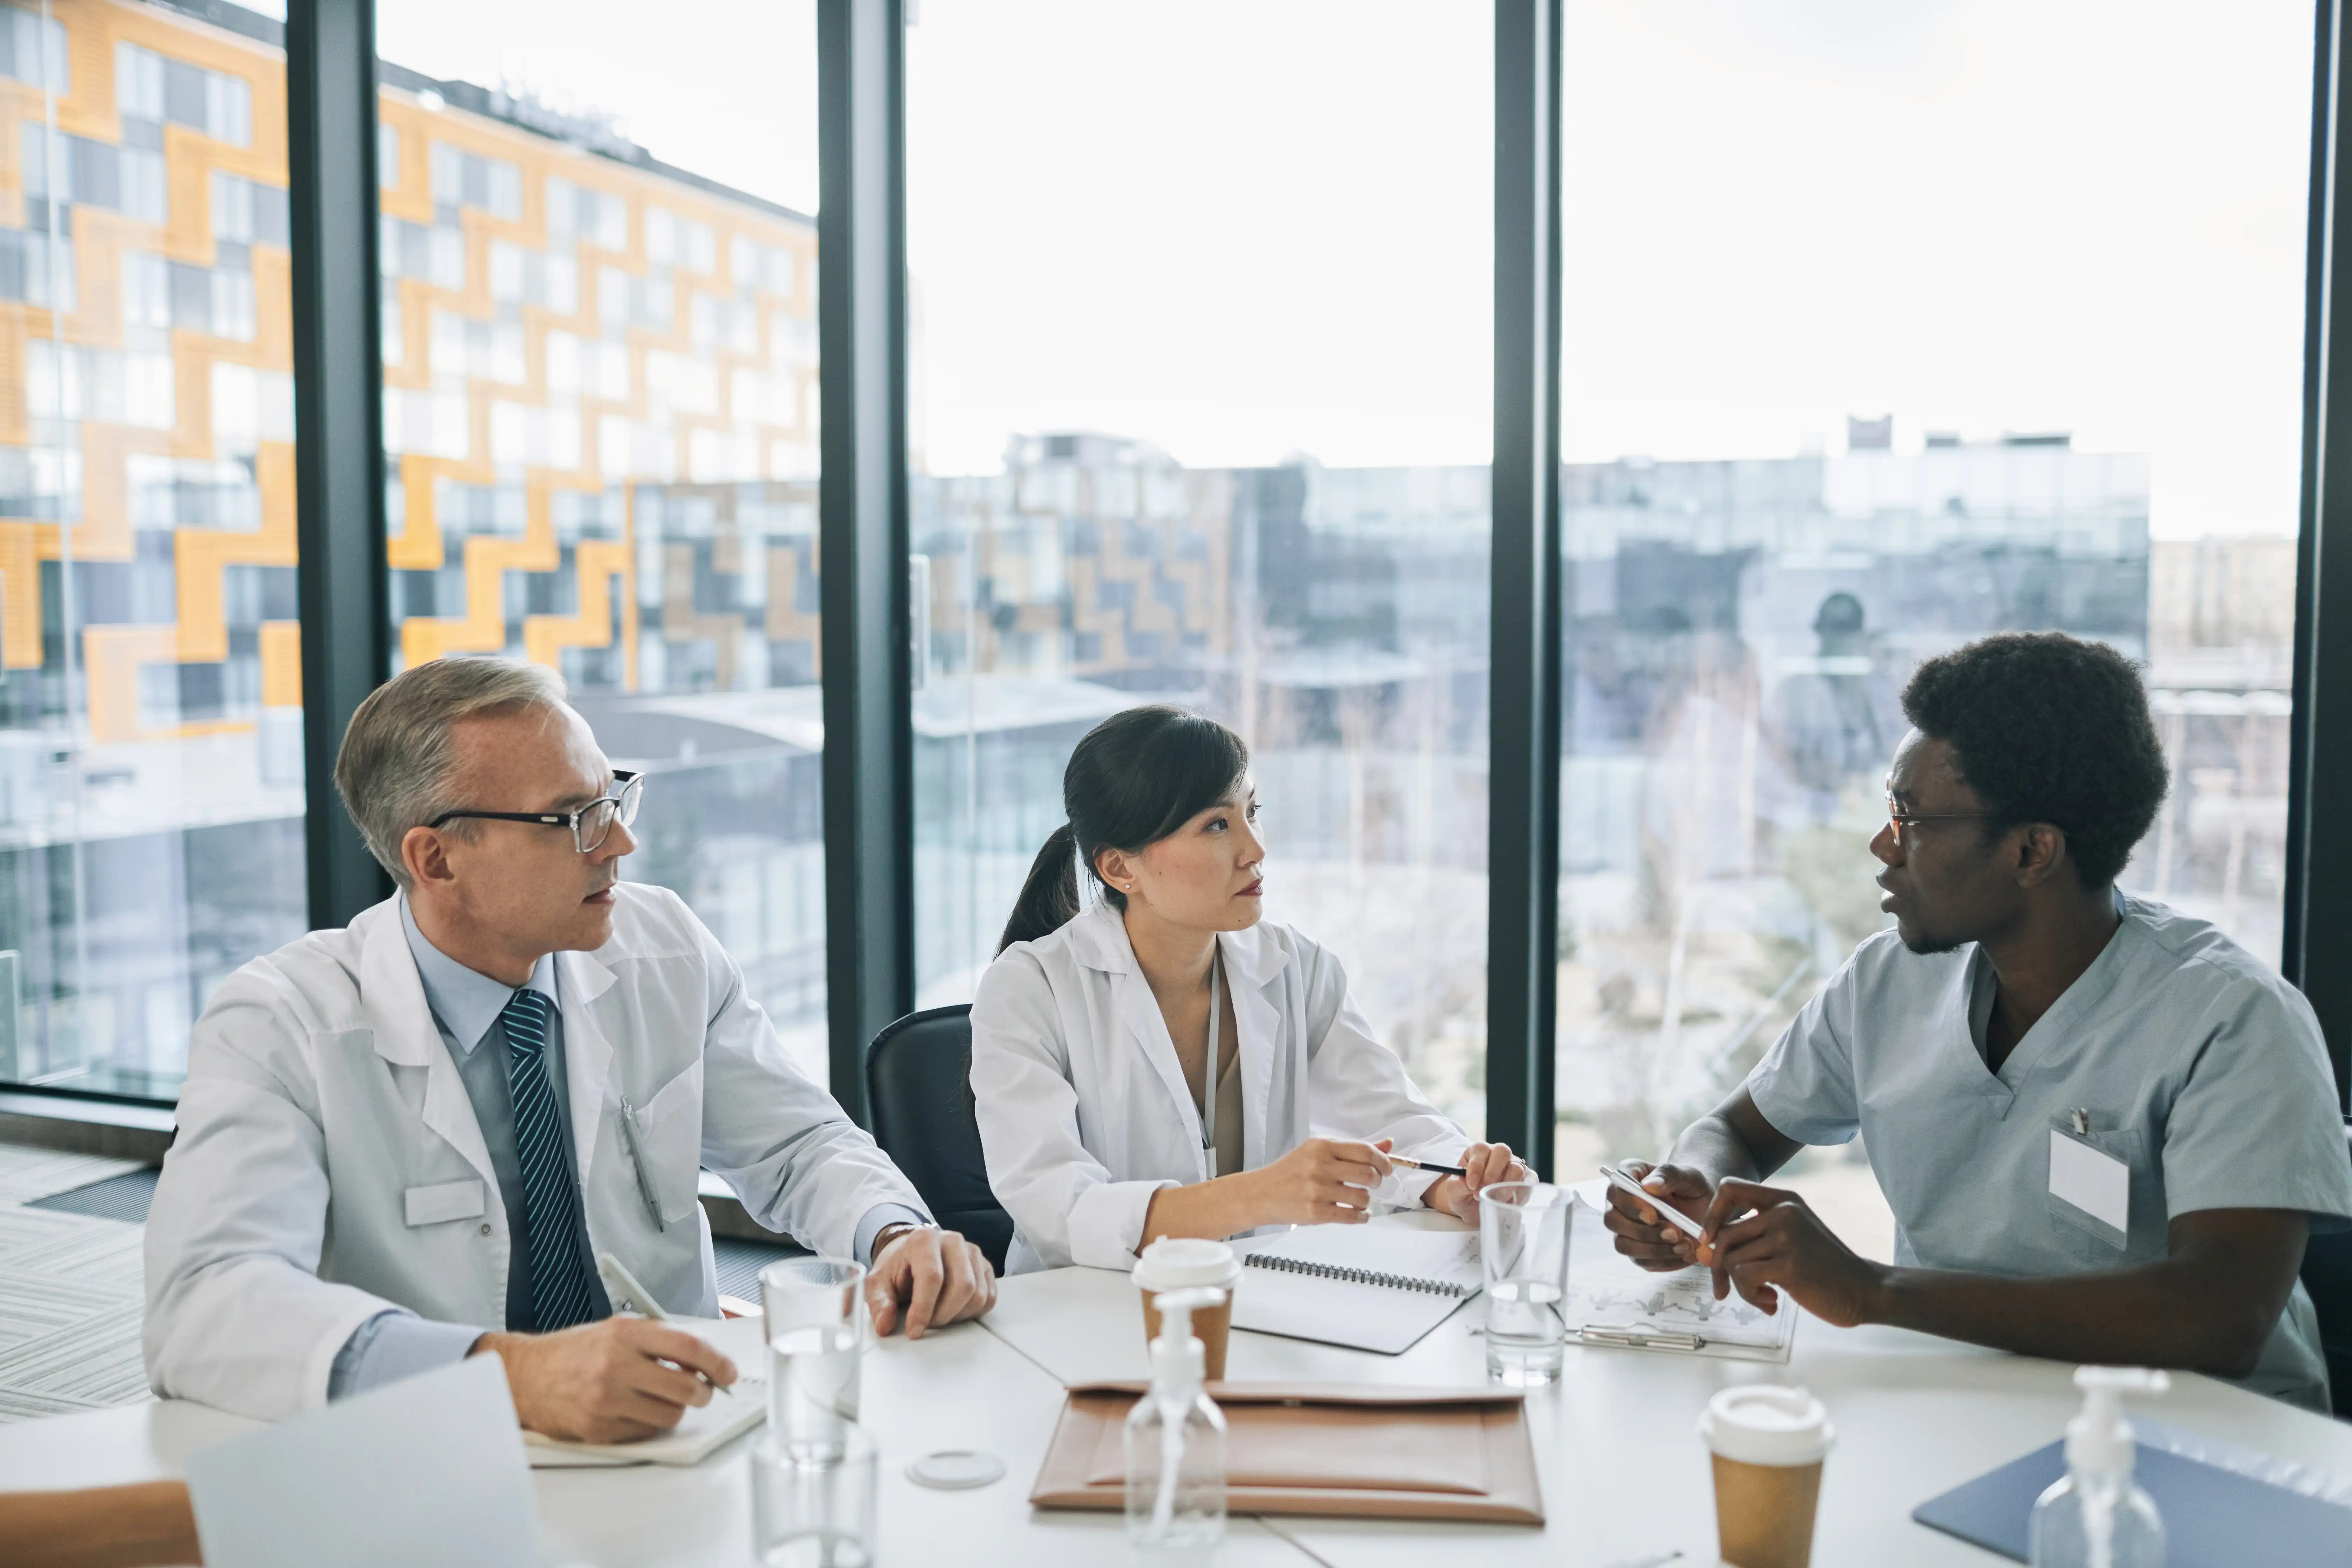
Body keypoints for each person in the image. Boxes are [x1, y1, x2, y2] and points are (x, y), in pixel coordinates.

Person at [145, 658, 995, 1440]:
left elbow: (798, 1144)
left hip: (680, 1429)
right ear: (435, 857)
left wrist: (893, 1233)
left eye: (614, 798)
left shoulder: (660, 943)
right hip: (430, 1450)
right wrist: (509, 1375)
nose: (619, 842)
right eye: (573, 818)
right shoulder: (278, 1023)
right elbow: (205, 1303)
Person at [1605, 631, 2352, 1410]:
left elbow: (2220, 1317)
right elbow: (1740, 1130)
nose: (1881, 846)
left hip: (2209, 1442)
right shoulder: (1888, 980)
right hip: (1965, 1404)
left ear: (2032, 850)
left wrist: (1873, 1289)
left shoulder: (2235, 1018)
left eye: (1911, 817)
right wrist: (1690, 1181)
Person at [969, 705, 1525, 1273]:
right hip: (1076, 1321)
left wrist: (1452, 1178)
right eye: (1217, 825)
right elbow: (1060, 1211)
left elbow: (1395, 1122)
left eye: (1252, 812)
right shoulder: (1029, 990)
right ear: (1119, 869)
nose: (1255, 849)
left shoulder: (1294, 969)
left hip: (1254, 1308)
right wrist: (1264, 1195)